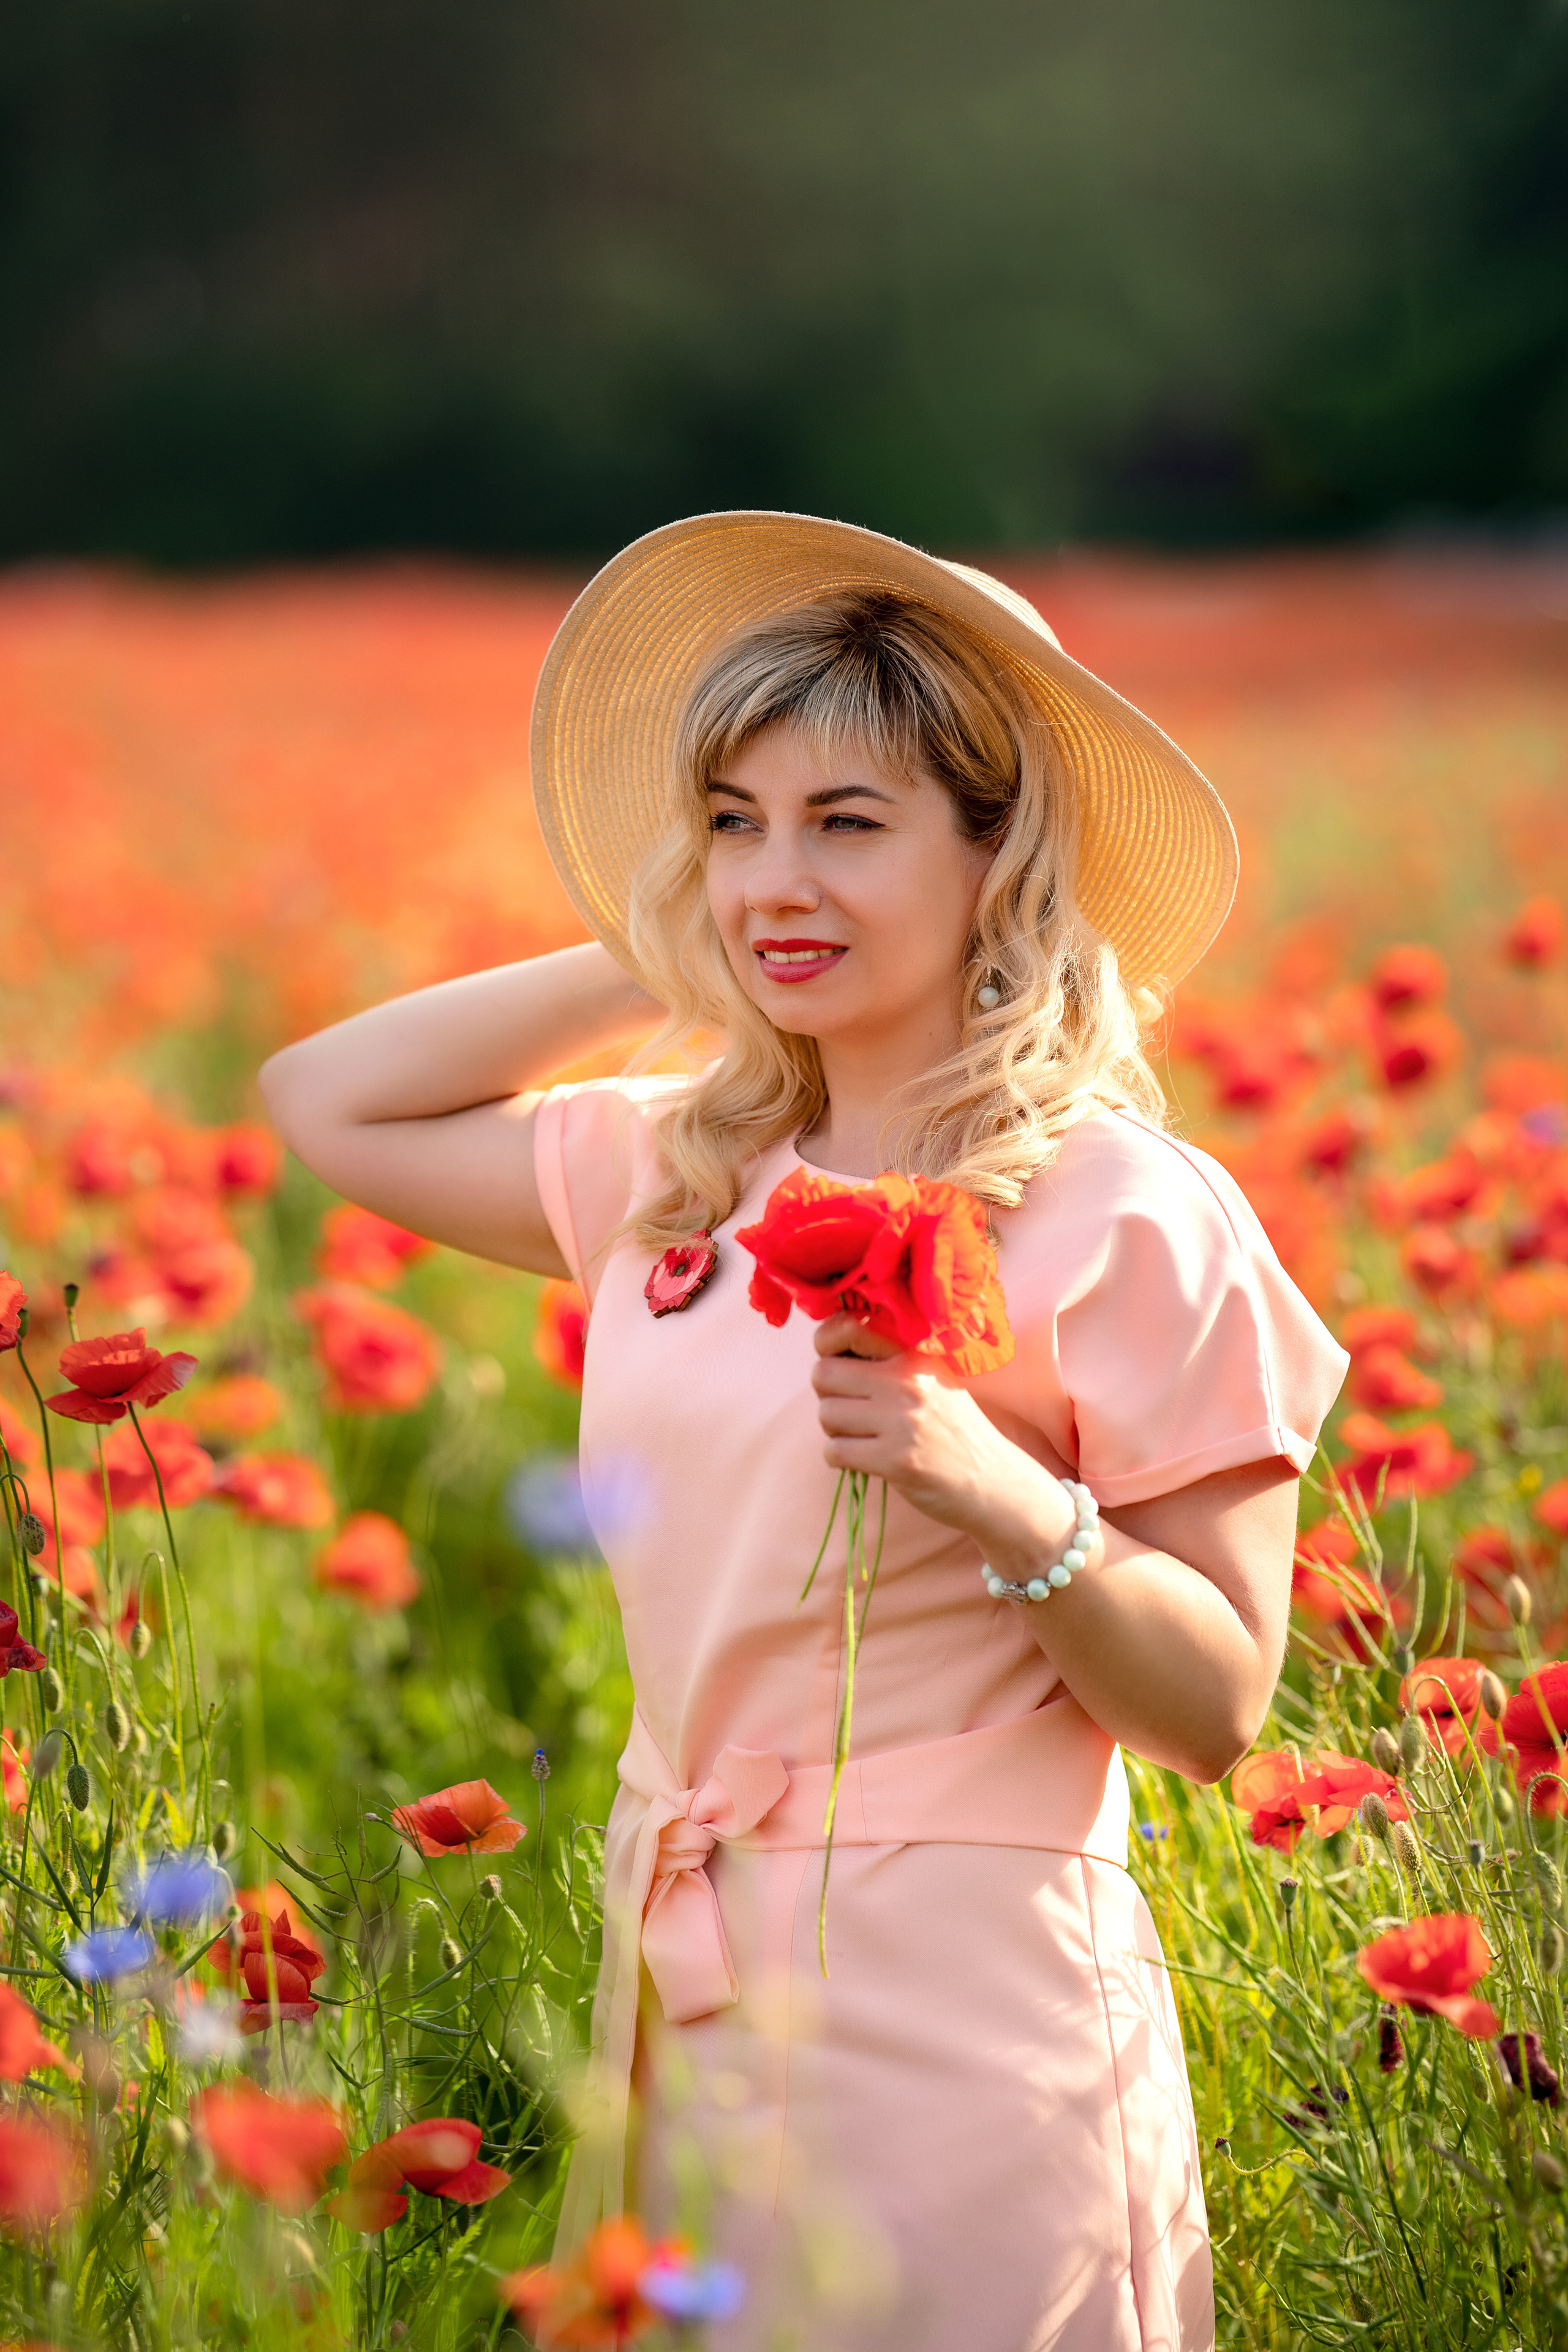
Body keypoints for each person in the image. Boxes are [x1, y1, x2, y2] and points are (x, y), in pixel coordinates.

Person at [260, 513, 1348, 2352]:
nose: (784, 876)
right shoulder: (675, 1167)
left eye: (849, 825)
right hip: (686, 1967)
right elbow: (326, 1101)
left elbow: (1221, 1705)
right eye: (736, 820)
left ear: (1000, 857)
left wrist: (990, 1481)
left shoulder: (1130, 1212)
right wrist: (674, 940)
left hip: (967, 2010)